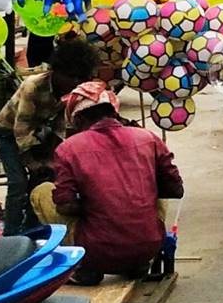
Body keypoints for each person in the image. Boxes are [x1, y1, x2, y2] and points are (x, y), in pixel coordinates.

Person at [34, 81, 184, 283]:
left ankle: (83, 266)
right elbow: (175, 189)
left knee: (41, 192)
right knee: (154, 189)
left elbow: (65, 206)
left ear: (79, 120)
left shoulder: (68, 149)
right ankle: (136, 263)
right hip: (148, 245)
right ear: (113, 113)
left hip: (97, 250)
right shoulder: (148, 138)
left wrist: (97, 202)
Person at [0, 37, 98, 235]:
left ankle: (33, 228)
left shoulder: (71, 93)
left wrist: (52, 159)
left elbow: (59, 127)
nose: (75, 83)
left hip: (37, 132)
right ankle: (11, 234)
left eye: (80, 78)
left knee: (42, 182)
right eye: (71, 76)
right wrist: (32, 162)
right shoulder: (33, 86)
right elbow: (21, 129)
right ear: (56, 71)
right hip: (7, 132)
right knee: (18, 183)